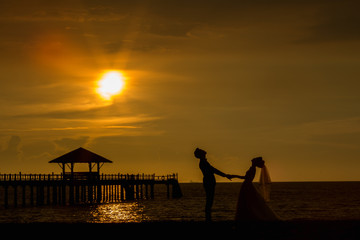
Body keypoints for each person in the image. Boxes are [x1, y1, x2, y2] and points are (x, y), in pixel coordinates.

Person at [229, 157, 279, 221]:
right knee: (248, 201)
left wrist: (234, 176)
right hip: (247, 185)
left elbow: (245, 177)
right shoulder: (252, 169)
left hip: (247, 186)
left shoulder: (253, 169)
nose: (252, 162)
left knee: (247, 201)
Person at [194, 148, 232, 221]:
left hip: (209, 181)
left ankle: (208, 217)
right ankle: (208, 217)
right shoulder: (203, 162)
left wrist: (225, 175)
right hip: (209, 181)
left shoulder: (204, 162)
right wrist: (225, 175)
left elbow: (213, 170)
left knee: (210, 199)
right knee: (209, 199)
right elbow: (213, 170)